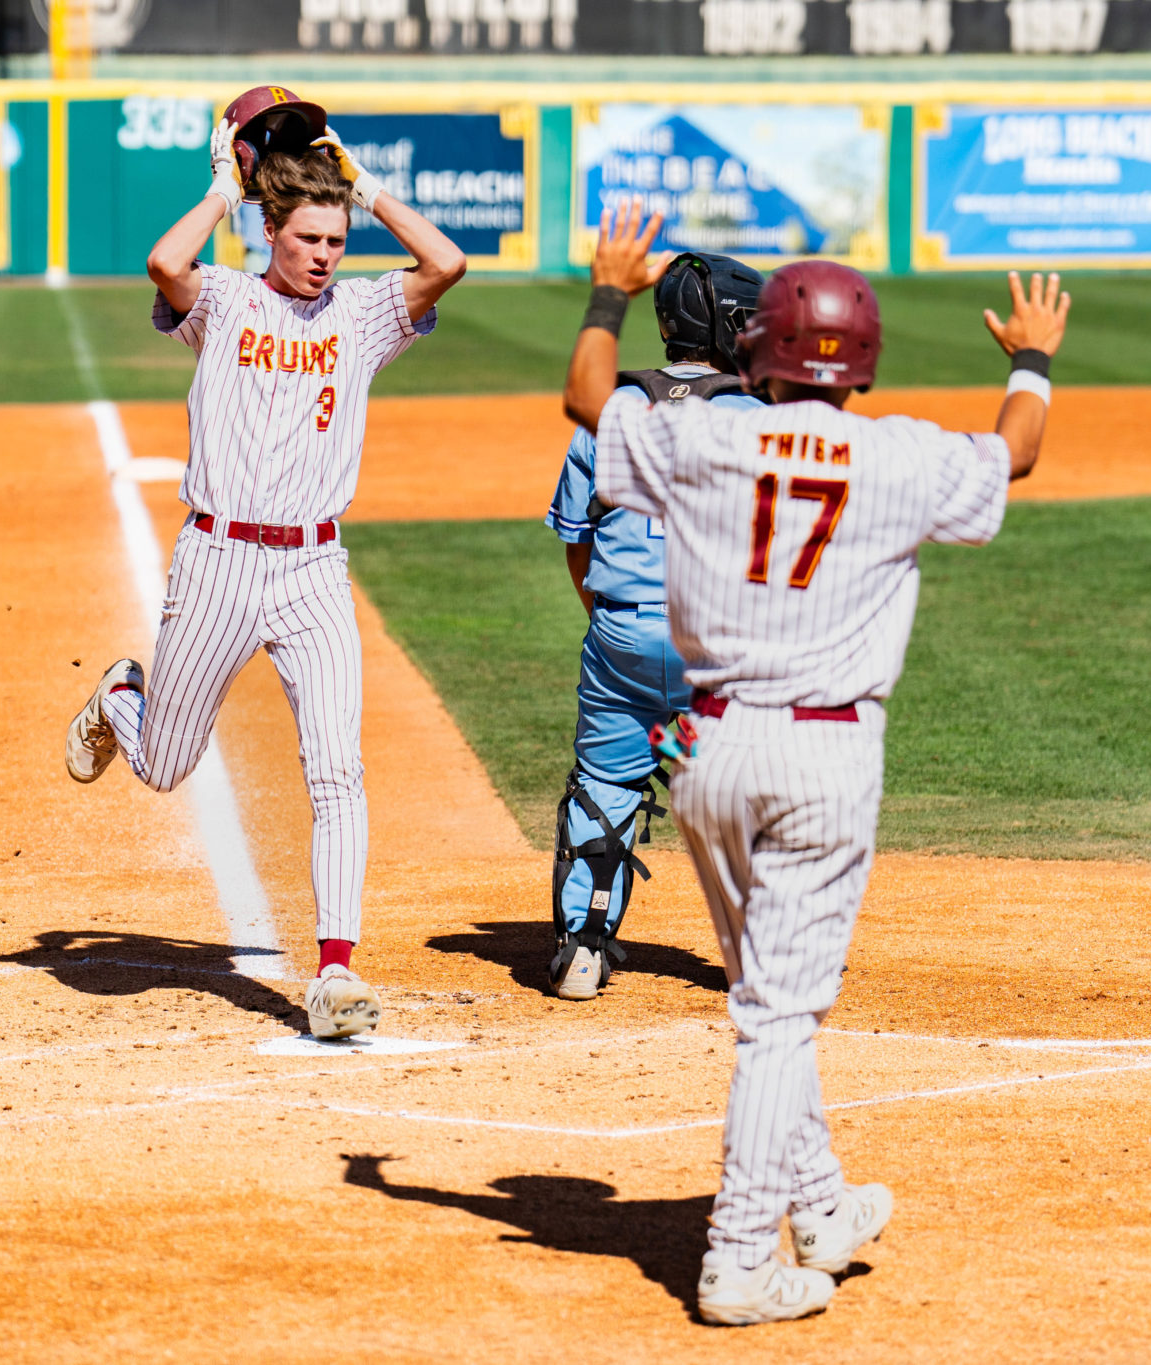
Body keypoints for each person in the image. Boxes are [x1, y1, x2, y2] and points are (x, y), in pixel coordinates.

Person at [561, 201, 1072, 1325]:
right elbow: (1019, 451)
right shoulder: (902, 456)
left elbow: (590, 398)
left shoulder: (703, 439)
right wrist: (1030, 357)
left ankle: (823, 1204)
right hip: (823, 756)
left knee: (764, 993)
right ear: (864, 359)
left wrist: (609, 291)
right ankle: (740, 1259)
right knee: (779, 1019)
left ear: (761, 350)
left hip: (703, 747)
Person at [63, 89, 467, 1040]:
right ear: (270, 229)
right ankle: (122, 695)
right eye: (309, 238)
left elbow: (446, 263)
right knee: (165, 765)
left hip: (314, 571)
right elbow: (165, 263)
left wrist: (364, 186)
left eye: (337, 240)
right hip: (217, 560)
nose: (325, 255)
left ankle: (335, 972)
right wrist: (222, 188)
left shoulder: (361, 315)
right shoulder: (225, 300)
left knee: (336, 770)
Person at [544, 250, 766, 1001]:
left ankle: (582, 948)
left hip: (622, 638)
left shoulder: (611, 410)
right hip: (717, 650)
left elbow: (578, 542)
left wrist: (616, 627)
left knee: (608, 779)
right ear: (726, 328)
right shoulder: (761, 420)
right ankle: (762, 955)